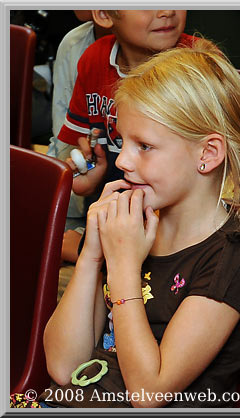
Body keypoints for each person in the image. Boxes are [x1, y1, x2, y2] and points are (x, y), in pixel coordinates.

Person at [12, 39, 240, 408]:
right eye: (123, 142)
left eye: (145, 147)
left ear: (208, 154)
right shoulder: (133, 223)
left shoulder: (233, 260)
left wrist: (122, 266)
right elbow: (61, 365)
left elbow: (148, 394)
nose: (123, 161)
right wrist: (92, 255)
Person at [55, 10, 194, 259]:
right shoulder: (94, 59)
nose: (168, 11)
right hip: (109, 225)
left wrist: (88, 249)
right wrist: (89, 176)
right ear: (104, 14)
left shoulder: (198, 65)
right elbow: (85, 146)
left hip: (175, 244)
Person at [45, 11, 112, 300]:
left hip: (115, 233)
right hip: (95, 215)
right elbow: (68, 144)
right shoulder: (85, 51)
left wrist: (83, 244)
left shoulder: (189, 61)